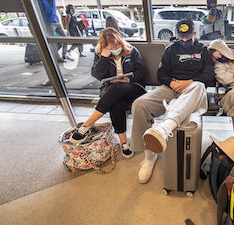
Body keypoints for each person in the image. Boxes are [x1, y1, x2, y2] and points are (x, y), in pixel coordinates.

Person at [130, 20, 216, 184]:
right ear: (177, 35)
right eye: (181, 37)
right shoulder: (170, 50)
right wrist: (172, 83)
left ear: (195, 34)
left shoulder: (203, 50)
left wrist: (189, 82)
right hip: (171, 88)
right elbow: (161, 73)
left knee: (199, 86)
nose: (184, 41)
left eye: (187, 37)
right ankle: (149, 156)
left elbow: (209, 75)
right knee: (139, 105)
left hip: (193, 89)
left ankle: (164, 129)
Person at [68, 27, 147, 159]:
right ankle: (124, 143)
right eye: (110, 47)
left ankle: (86, 125)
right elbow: (97, 74)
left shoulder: (131, 51)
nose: (114, 48)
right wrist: (103, 58)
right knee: (117, 105)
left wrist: (130, 79)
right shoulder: (101, 55)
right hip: (112, 90)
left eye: (116, 45)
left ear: (120, 41)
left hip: (134, 88)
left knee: (118, 88)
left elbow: (142, 72)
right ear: (104, 47)